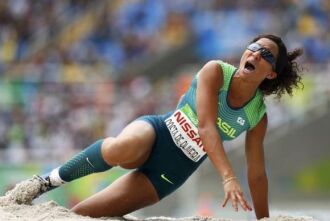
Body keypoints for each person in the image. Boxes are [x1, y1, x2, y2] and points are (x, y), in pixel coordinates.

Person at [28, 34, 303, 220]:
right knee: (121, 148)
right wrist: (228, 178)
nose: (255, 53)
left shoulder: (258, 116)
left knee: (81, 214)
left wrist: (264, 219)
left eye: (265, 53)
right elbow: (207, 129)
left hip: (172, 173)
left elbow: (257, 174)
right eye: (253, 46)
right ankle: (45, 182)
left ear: (271, 73)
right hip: (157, 134)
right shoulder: (216, 71)